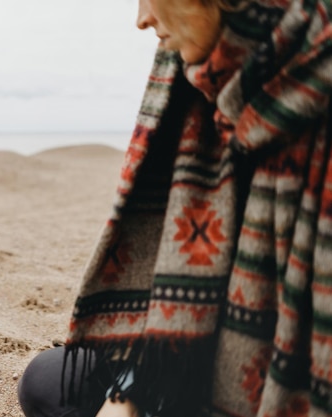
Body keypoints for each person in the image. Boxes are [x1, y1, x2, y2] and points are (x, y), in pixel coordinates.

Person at [18, 0, 332, 416]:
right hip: (210, 345)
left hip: (292, 378)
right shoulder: (205, 93)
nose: (141, 19)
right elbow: (185, 280)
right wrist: (127, 393)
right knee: (46, 380)